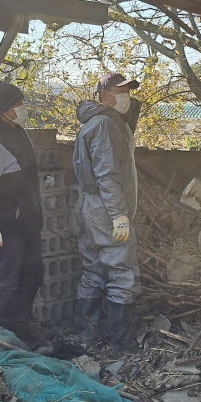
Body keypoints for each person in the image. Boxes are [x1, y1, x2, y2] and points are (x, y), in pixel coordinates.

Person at [73, 72, 141, 350]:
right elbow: (107, 174)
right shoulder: (104, 124)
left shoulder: (102, 121)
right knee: (123, 271)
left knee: (95, 269)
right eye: (120, 91)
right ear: (104, 94)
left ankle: (87, 336)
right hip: (104, 207)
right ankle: (121, 343)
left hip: (92, 205)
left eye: (127, 90)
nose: (126, 96)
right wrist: (119, 214)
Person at [0, 82, 43, 344]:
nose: (22, 109)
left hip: (27, 224)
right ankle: (0, 335)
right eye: (18, 105)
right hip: (6, 227)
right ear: (4, 110)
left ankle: (19, 327)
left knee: (33, 276)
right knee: (4, 282)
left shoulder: (18, 133)